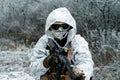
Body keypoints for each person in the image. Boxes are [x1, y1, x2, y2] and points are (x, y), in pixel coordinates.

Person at [30, 7, 94, 80]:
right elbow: (33, 70)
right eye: (55, 26)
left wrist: (80, 72)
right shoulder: (44, 42)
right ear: (50, 27)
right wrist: (45, 63)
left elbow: (86, 63)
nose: (60, 30)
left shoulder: (77, 41)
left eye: (64, 26)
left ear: (69, 27)